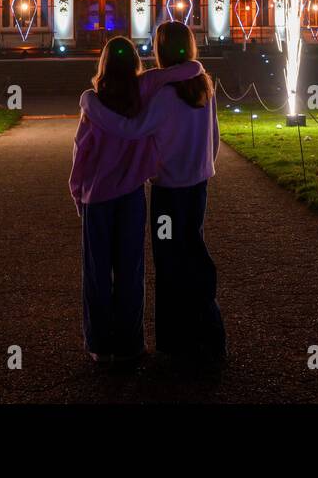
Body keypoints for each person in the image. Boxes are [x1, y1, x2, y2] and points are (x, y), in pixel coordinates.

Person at [79, 21, 225, 366]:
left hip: (168, 192)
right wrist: (203, 167)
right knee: (194, 253)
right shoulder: (204, 86)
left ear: (160, 50)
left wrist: (90, 104)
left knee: (169, 263)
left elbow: (131, 129)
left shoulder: (164, 95)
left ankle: (175, 342)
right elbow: (214, 138)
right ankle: (209, 336)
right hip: (197, 185)